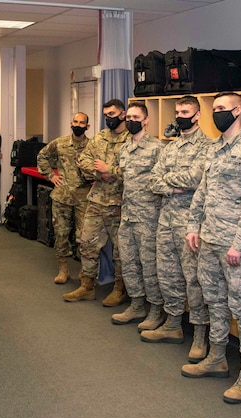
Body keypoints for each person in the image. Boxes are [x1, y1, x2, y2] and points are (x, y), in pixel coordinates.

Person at [181, 92, 241, 404]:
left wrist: (239, 243)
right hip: (209, 241)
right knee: (214, 301)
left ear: (238, 110)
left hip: (237, 248)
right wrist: (194, 225)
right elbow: (202, 192)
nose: (217, 113)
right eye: (214, 109)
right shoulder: (215, 149)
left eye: (222, 109)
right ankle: (218, 357)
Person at [144, 95, 212, 359]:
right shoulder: (170, 147)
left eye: (186, 111)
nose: (181, 115)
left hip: (190, 224)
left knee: (194, 280)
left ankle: (199, 336)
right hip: (166, 220)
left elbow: (196, 178)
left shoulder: (207, 146)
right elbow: (152, 180)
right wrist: (175, 186)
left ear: (197, 115)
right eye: (178, 111)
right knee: (167, 274)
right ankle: (173, 324)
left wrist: (167, 183)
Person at [63, 99, 129, 305]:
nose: (108, 118)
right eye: (106, 114)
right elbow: (82, 160)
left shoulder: (131, 140)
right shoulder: (100, 137)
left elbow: (132, 170)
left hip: (119, 203)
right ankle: (87, 286)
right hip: (96, 200)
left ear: (123, 114)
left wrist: (110, 171)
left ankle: (120, 289)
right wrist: (101, 174)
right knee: (87, 243)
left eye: (112, 114)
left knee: (120, 250)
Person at [108, 102, 164, 329]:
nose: (130, 120)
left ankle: (156, 311)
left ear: (146, 120)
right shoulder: (124, 148)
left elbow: (162, 183)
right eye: (128, 116)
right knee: (128, 263)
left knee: (149, 266)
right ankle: (137, 305)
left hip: (149, 217)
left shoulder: (157, 148)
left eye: (135, 117)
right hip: (128, 215)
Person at [37, 112, 91, 284]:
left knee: (84, 236)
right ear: (71, 123)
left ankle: (85, 271)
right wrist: (50, 176)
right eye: (75, 121)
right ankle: (63, 269)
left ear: (87, 127)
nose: (78, 125)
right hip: (62, 196)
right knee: (61, 233)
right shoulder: (60, 143)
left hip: (84, 197)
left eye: (82, 123)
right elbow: (42, 156)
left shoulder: (92, 146)